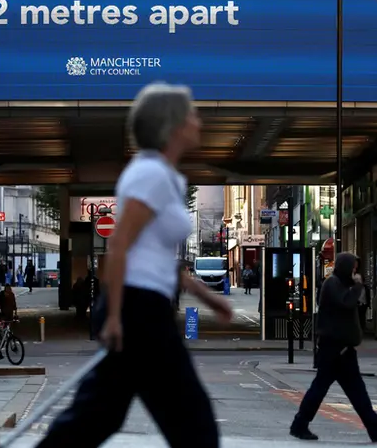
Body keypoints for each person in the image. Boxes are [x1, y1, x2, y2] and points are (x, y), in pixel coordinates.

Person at [35, 82, 232, 448]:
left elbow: (153, 256)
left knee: (98, 416)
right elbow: (120, 243)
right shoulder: (151, 174)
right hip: (138, 310)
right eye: (190, 114)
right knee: (194, 425)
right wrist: (114, 317)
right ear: (170, 125)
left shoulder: (165, 177)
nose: (198, 121)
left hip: (141, 306)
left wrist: (208, 296)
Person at [290, 252, 377, 443]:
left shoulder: (340, 284)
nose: (355, 271)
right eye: (353, 268)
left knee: (357, 391)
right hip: (334, 349)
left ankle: (375, 428)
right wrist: (357, 285)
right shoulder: (332, 284)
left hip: (343, 349)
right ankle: (299, 425)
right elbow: (347, 302)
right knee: (321, 389)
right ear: (344, 267)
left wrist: (355, 285)